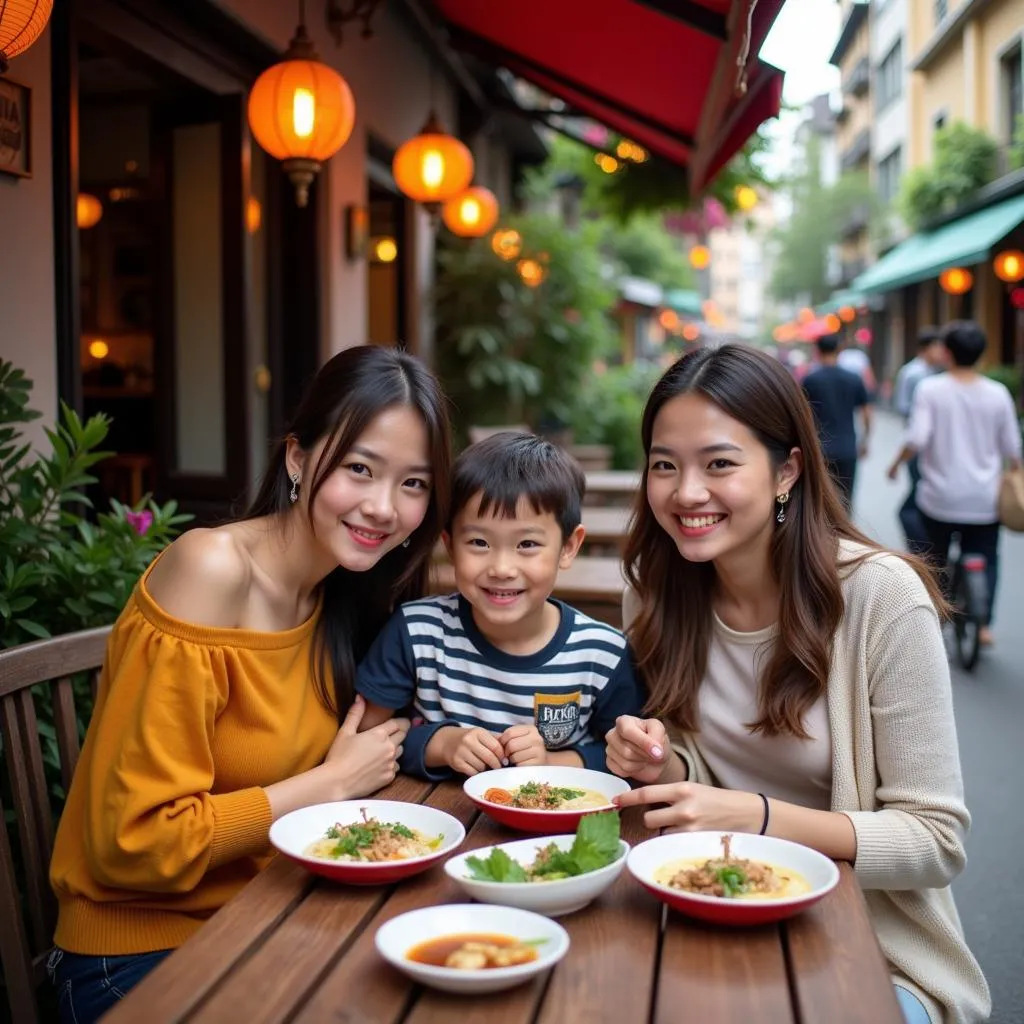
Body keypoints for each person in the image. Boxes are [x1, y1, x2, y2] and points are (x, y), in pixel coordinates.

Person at [47, 346, 452, 1022]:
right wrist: (327, 785)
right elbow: (132, 845)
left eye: (413, 484)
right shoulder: (211, 569)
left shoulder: (344, 597)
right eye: (359, 469)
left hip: (270, 919)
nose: (385, 507)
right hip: (141, 955)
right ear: (297, 458)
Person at [604, 344, 989, 1024]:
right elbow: (699, 764)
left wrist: (758, 820)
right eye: (664, 464)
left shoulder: (880, 597)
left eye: (719, 463)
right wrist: (659, 758)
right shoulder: (654, 597)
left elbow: (935, 842)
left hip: (869, 948)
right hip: (706, 911)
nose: (686, 492)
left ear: (787, 471)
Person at [356, 432, 643, 778]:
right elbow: (366, 742)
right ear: (450, 545)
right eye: (479, 542)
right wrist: (443, 744)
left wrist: (551, 762)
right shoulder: (417, 633)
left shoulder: (602, 654)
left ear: (568, 547)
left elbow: (627, 756)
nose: (502, 569)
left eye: (526, 544)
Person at [888, 320, 1022, 646]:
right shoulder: (998, 393)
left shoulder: (931, 390)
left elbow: (917, 437)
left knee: (936, 557)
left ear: (946, 352)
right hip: (984, 499)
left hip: (940, 498)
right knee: (987, 555)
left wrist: (895, 464)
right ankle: (985, 625)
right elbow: (1012, 449)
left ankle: (938, 611)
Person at [801, 334, 872, 510]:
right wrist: (865, 440)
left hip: (820, 448)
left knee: (820, 502)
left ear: (817, 351)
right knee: (845, 500)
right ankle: (844, 536)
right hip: (847, 448)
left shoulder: (811, 380)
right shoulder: (853, 378)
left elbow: (803, 414)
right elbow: (867, 413)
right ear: (839, 350)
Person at [892, 327, 947, 555]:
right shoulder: (916, 374)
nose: (941, 352)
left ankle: (926, 549)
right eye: (937, 347)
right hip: (919, 446)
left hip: (928, 444)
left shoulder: (934, 373)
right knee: (918, 497)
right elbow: (907, 410)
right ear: (927, 348)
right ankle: (923, 550)